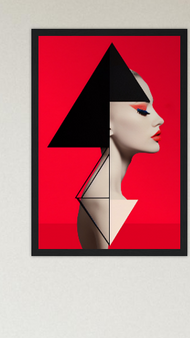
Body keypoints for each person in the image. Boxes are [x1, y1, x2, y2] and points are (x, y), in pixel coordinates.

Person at [48, 44, 164, 249]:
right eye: (143, 111)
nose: (160, 119)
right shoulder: (106, 201)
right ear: (105, 123)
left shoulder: (103, 193)